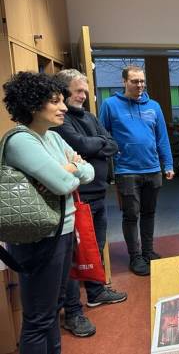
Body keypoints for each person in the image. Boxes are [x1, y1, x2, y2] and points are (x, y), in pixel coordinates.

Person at [3, 71, 95, 353]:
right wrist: (69, 170)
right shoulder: (21, 141)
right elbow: (63, 183)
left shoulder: (52, 138)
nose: (64, 107)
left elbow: (88, 172)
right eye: (55, 101)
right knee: (38, 318)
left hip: (62, 230)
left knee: (53, 309)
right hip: (39, 237)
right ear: (33, 105)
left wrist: (69, 169)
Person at [52, 69, 127, 337]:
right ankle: (73, 312)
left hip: (98, 194)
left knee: (95, 247)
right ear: (63, 92)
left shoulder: (90, 117)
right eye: (78, 90)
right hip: (77, 197)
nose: (83, 95)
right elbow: (79, 145)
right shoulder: (60, 120)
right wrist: (95, 145)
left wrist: (93, 145)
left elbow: (112, 144)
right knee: (75, 255)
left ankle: (96, 293)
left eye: (85, 90)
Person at [99, 65, 174, 276]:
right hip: (126, 171)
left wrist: (168, 164)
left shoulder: (154, 106)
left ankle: (148, 251)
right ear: (124, 82)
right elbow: (102, 136)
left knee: (149, 213)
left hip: (153, 169)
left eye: (142, 81)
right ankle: (135, 257)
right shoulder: (110, 105)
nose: (139, 85)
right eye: (134, 81)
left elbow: (162, 138)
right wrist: (111, 160)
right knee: (131, 215)